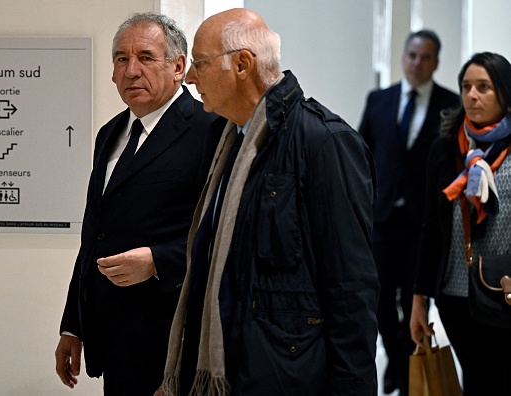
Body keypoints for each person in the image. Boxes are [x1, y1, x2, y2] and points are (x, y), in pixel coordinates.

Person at [158, 8, 379, 396]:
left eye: (200, 64)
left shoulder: (324, 141)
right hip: (231, 373)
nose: (191, 78)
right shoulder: (226, 140)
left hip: (284, 376)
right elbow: (210, 271)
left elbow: (350, 287)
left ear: (242, 64)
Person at [55, 12, 222, 395]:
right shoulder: (109, 133)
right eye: (121, 59)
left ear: (179, 66)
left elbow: (224, 236)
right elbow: (95, 233)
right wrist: (73, 325)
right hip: (113, 343)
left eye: (146, 57)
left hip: (173, 345)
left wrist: (158, 261)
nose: (131, 71)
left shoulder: (209, 130)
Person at [358, 29, 458, 395]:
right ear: (403, 57)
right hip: (381, 220)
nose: (417, 63)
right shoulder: (379, 100)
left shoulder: (450, 105)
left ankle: (402, 371)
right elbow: (361, 153)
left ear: (436, 62)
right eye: (412, 55)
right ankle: (398, 357)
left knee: (415, 301)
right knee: (380, 299)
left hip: (422, 223)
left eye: (425, 57)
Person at [410, 52, 511, 395]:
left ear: (504, 93)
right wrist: (419, 299)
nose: (472, 95)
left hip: (506, 290)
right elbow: (429, 229)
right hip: (456, 294)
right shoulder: (445, 149)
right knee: (478, 382)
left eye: (484, 87)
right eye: (467, 86)